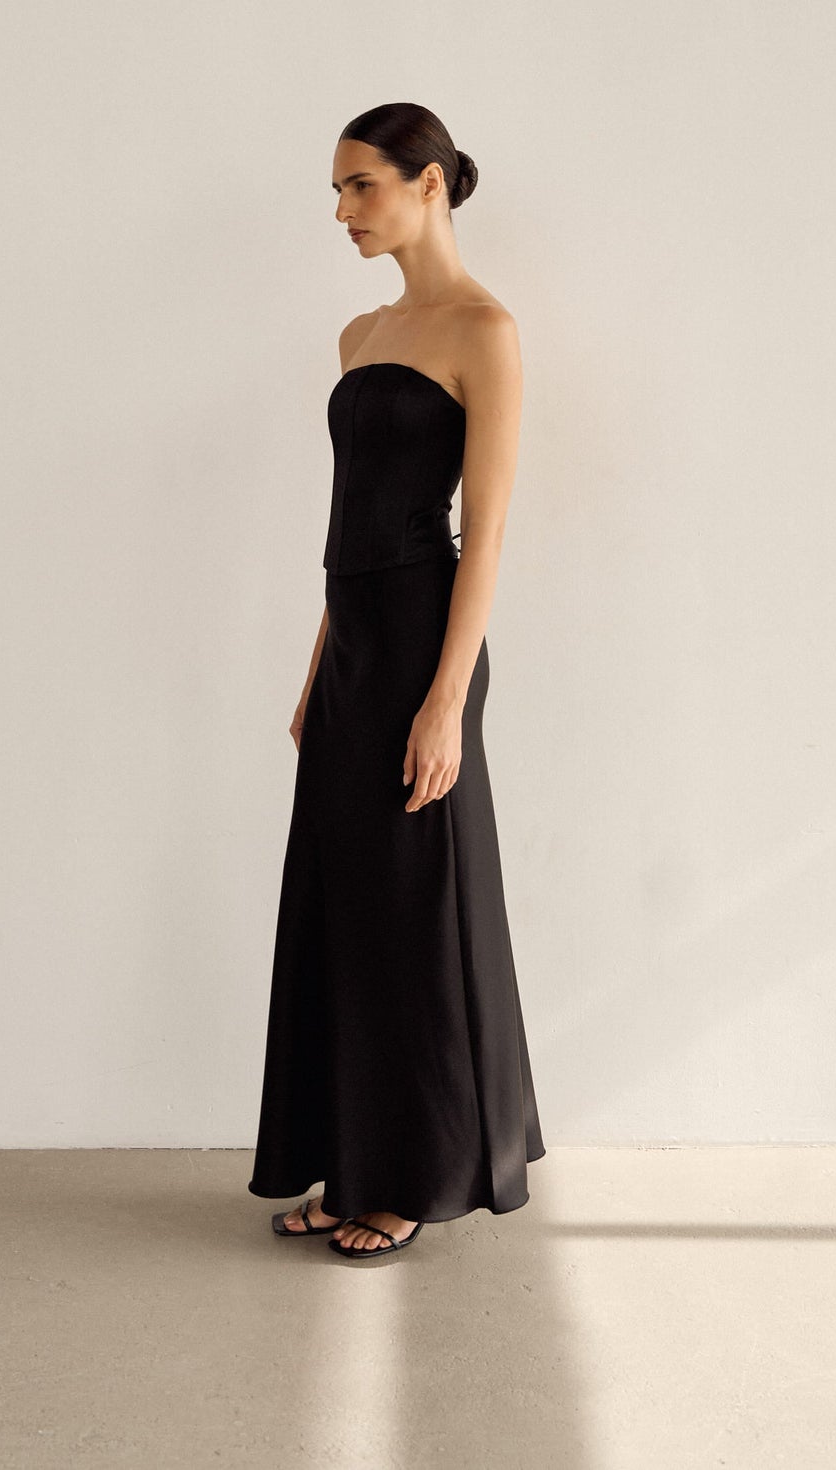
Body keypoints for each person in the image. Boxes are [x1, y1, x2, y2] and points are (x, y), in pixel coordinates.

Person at [248, 102, 544, 1262]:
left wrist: (442, 700)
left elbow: (489, 528)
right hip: (353, 644)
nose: (340, 211)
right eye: (336, 190)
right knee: (341, 907)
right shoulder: (358, 335)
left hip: (428, 640)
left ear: (426, 184)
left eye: (358, 186)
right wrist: (316, 670)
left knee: (415, 913)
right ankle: (349, 1157)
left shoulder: (485, 329)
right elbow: (344, 528)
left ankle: (411, 1177)